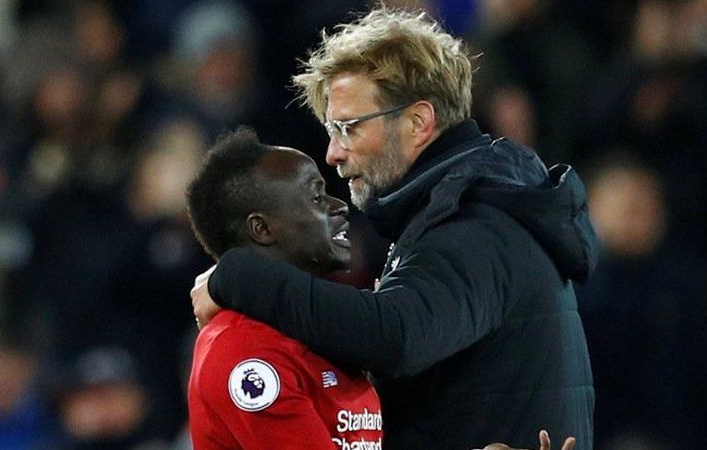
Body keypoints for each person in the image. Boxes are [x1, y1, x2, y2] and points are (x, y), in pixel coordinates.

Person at [191, 7, 598, 449]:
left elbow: (393, 336)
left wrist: (239, 275)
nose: (333, 153)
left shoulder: (476, 222)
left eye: (347, 128)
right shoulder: (472, 206)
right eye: (331, 130)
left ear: (418, 122)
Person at [185, 129, 577, 450]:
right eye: (316, 196)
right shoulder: (244, 353)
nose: (339, 206)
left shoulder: (325, 336)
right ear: (262, 228)